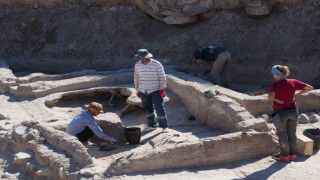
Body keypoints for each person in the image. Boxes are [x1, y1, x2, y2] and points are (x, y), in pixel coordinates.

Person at [268, 65, 313, 162]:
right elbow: (310, 88)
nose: (272, 76)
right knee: (292, 133)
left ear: (277, 75)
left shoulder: (275, 85)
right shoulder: (293, 82)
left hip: (281, 112)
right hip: (293, 110)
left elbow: (270, 96)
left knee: (283, 134)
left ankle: (284, 156)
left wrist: (278, 101)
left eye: (272, 74)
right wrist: (296, 94)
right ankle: (292, 155)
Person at [134, 49, 169, 133]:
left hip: (155, 90)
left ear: (148, 57)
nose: (141, 60)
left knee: (159, 108)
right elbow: (136, 77)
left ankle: (164, 126)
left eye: (143, 58)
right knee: (147, 109)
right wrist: (137, 90)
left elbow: (162, 77)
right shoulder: (137, 65)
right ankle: (152, 125)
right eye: (140, 58)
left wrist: (162, 88)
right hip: (143, 90)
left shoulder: (156, 64)